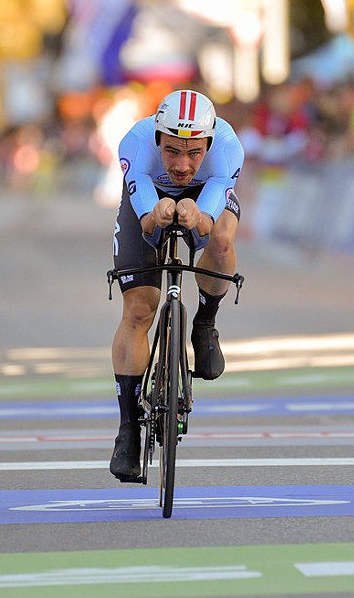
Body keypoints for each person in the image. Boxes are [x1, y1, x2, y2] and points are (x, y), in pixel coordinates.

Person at [108, 89, 244, 482]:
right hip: (151, 199)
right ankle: (128, 430)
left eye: (194, 153)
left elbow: (209, 218)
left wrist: (198, 215)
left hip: (205, 199)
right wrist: (157, 213)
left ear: (209, 142)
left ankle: (205, 323)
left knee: (220, 238)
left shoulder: (229, 148)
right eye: (171, 151)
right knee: (138, 309)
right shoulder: (134, 142)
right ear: (156, 140)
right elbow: (147, 220)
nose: (183, 165)